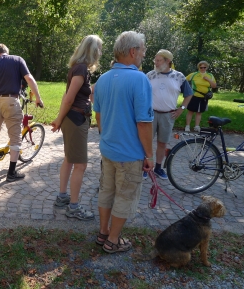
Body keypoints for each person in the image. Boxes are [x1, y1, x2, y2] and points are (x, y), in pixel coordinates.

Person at [93, 31, 153, 253]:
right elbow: (144, 123)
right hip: (129, 153)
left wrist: (108, 135)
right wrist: (150, 155)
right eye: (143, 52)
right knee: (125, 195)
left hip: (108, 149)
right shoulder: (140, 79)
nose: (143, 56)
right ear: (132, 51)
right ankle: (114, 240)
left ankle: (103, 233)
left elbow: (98, 116)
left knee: (106, 190)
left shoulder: (102, 79)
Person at [50, 35, 103, 220]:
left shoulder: (80, 68)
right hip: (76, 119)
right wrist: (58, 119)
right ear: (93, 50)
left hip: (75, 118)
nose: (101, 53)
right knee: (80, 164)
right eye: (100, 49)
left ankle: (62, 197)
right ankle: (73, 207)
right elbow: (69, 97)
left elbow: (76, 95)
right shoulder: (81, 69)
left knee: (69, 159)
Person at [0, 44, 43, 182]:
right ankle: (11, 173)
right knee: (15, 136)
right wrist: (38, 98)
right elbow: (29, 79)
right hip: (10, 100)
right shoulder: (18, 60)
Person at [144, 49, 193, 180]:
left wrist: (181, 108)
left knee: (162, 143)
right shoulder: (149, 75)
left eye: (159, 60)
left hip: (168, 115)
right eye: (155, 60)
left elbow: (189, 94)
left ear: (168, 61)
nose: (156, 63)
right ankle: (145, 167)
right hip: (150, 114)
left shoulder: (179, 76)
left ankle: (158, 168)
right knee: (145, 141)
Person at [185, 61, 217, 132]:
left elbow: (214, 86)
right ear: (198, 67)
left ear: (206, 68)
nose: (202, 69)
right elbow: (184, 80)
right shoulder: (194, 74)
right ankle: (187, 126)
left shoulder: (210, 75)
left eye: (204, 67)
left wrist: (208, 79)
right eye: (201, 67)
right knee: (191, 111)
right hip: (194, 95)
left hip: (204, 97)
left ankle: (197, 126)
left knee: (199, 112)